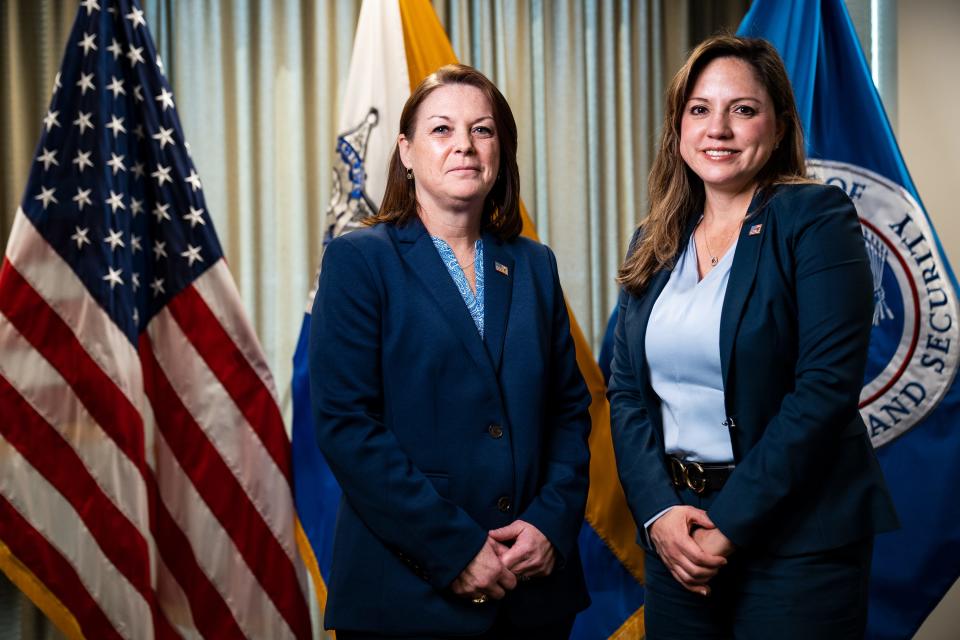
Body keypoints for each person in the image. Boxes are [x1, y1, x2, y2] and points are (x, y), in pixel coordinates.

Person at [608, 35, 899, 639]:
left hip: (797, 537)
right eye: (699, 109)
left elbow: (822, 393)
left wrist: (731, 524)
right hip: (679, 532)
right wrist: (660, 512)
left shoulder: (816, 219)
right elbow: (628, 392)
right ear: (678, 127)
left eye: (742, 109)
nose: (719, 128)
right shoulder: (653, 241)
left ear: (778, 123)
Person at [308, 64, 592, 638]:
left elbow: (570, 411)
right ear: (406, 151)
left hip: (531, 590)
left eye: (482, 130)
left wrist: (550, 524)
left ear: (501, 152)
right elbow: (347, 426)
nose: (464, 144)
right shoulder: (360, 261)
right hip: (407, 593)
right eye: (442, 129)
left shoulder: (535, 265)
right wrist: (455, 549)